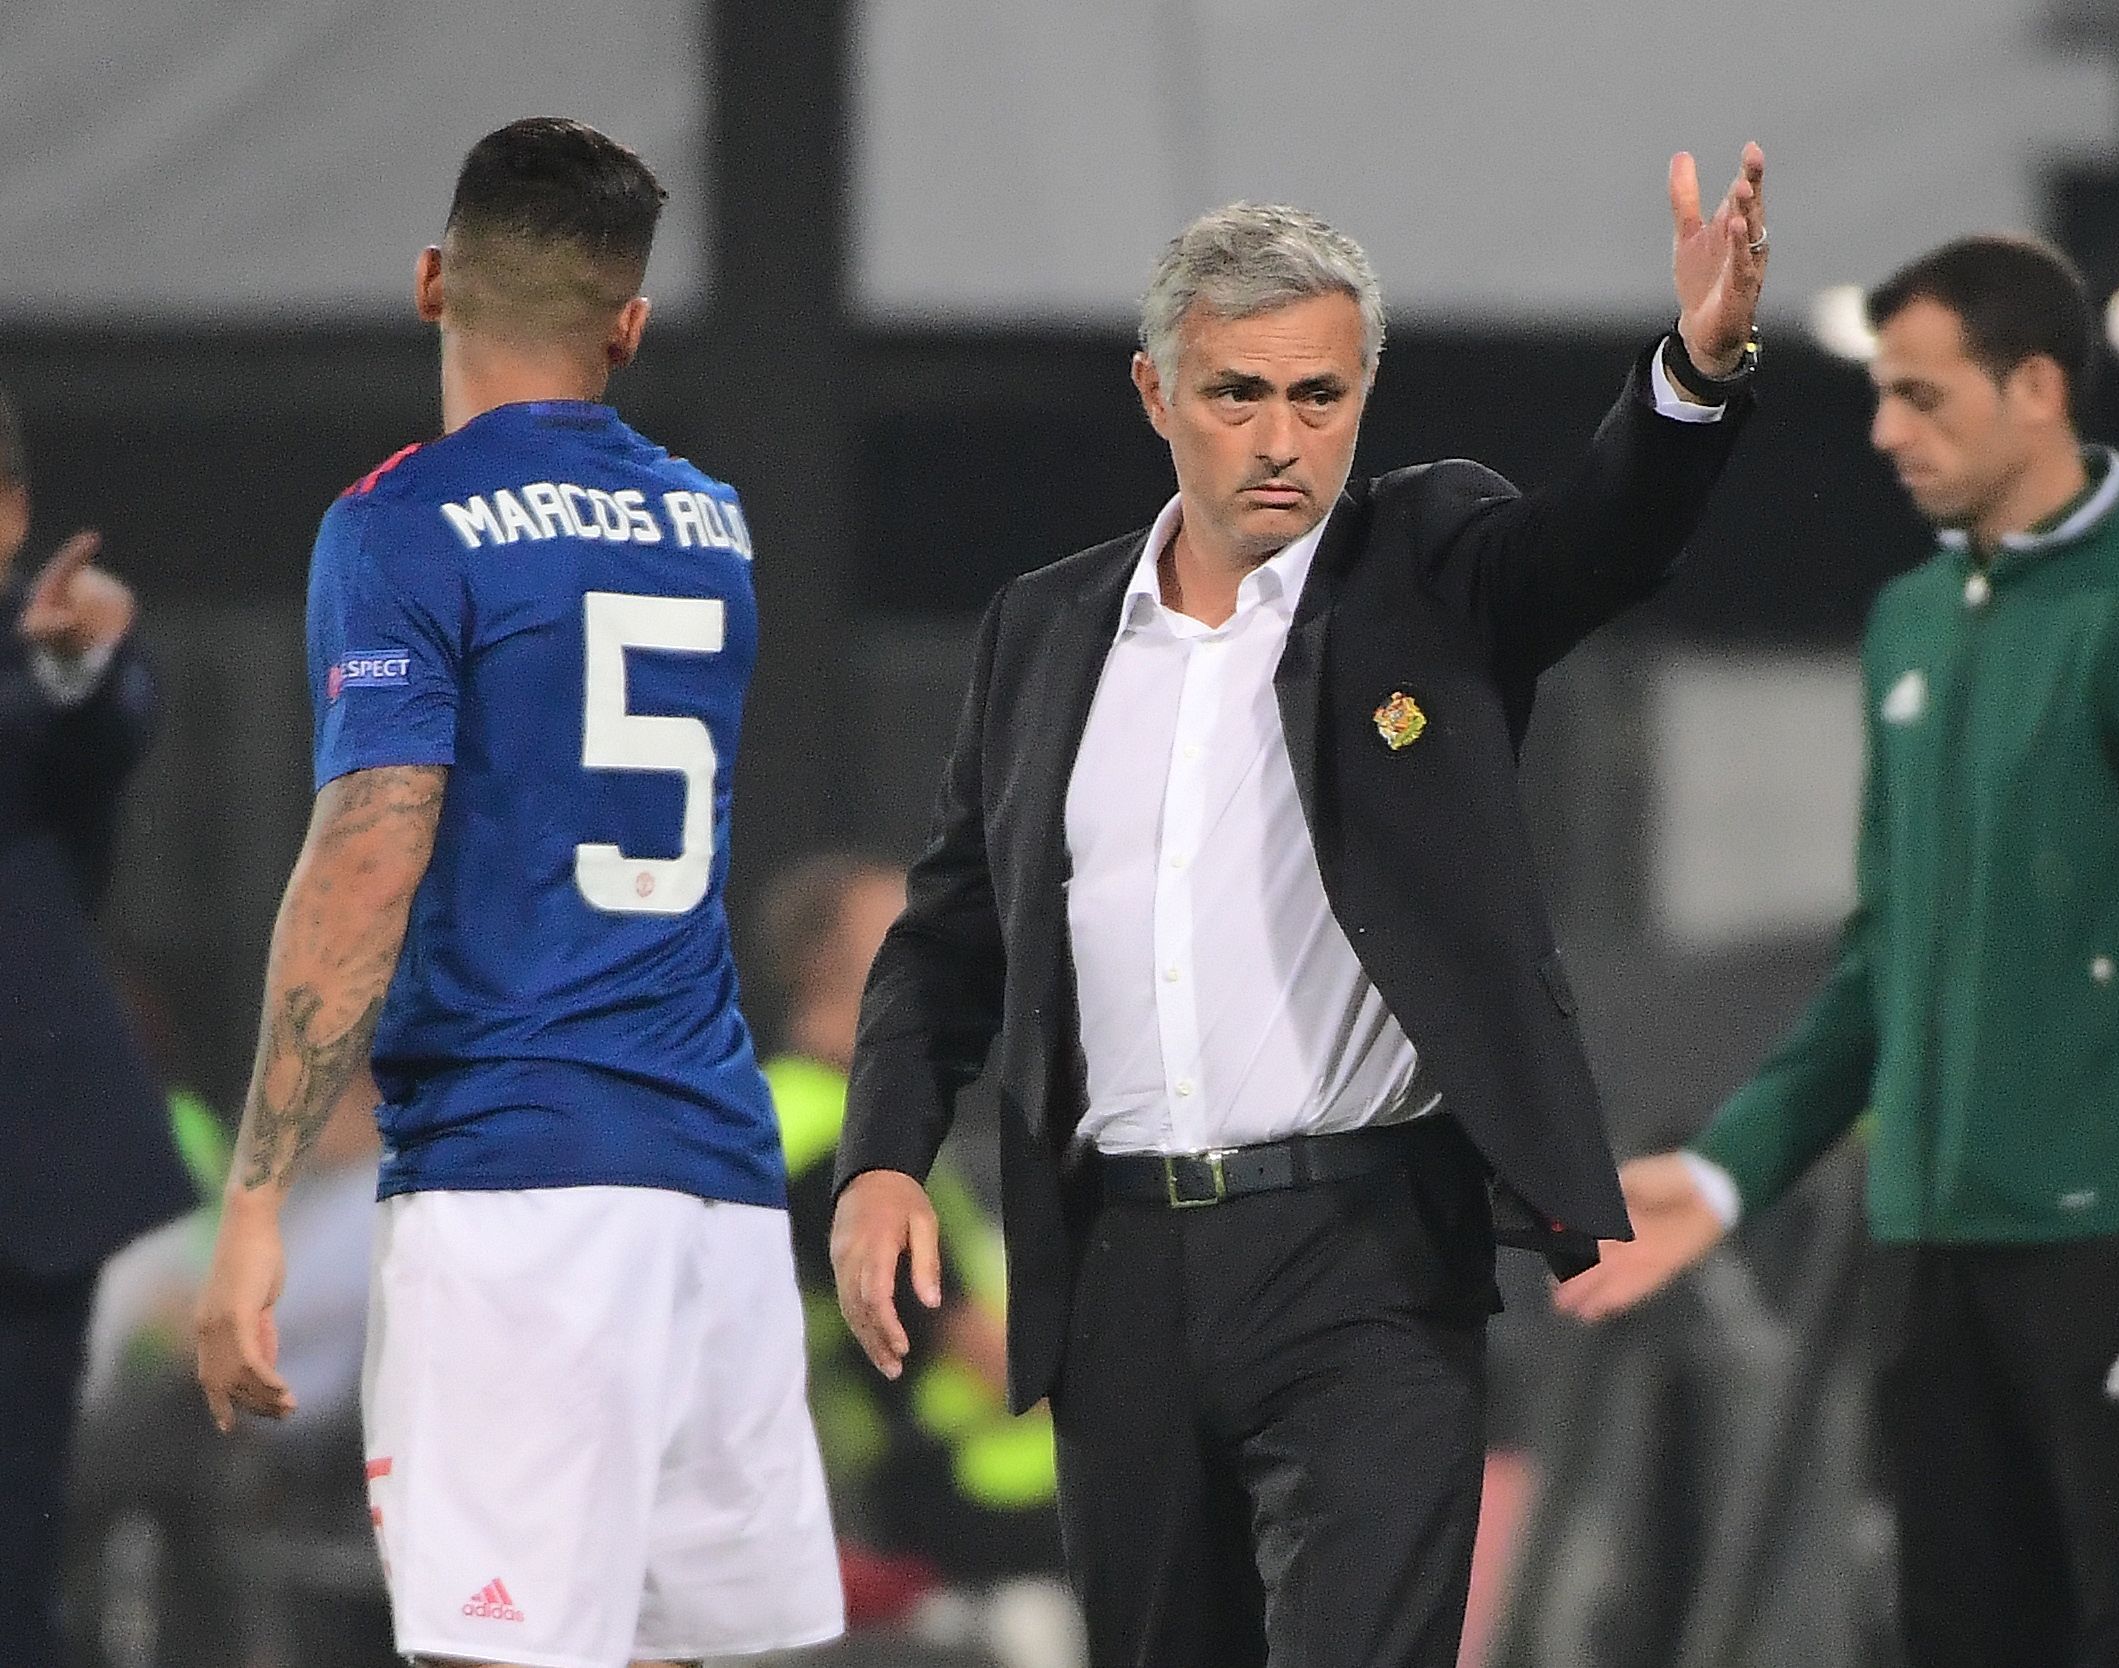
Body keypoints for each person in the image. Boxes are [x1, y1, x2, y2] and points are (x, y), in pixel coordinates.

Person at [832, 147, 1769, 1668]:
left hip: (1367, 1260)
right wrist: (882, 1156)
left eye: (1320, 397)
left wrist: (1698, 373)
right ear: (1156, 395)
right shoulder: (1044, 628)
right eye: (1238, 394)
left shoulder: (1433, 565)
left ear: (1366, 396)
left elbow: (1605, 534)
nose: (1283, 438)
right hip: (1121, 1268)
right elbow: (951, 933)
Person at [1559, 235, 2119, 1668]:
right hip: (1930, 1241)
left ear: (2035, 388)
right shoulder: (1914, 623)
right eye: (1883, 395)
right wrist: (1736, 1166)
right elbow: (1882, 961)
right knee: (1952, 1635)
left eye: (1923, 397)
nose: (1884, 433)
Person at [191, 118, 842, 1668]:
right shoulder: (713, 528)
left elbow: (371, 851)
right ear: (627, 323)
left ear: (432, 282)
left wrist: (260, 1194)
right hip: (716, 1191)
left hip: (525, 1188)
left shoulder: (402, 523)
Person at [0, 388, 195, 1668]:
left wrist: (78, 661)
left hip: (19, 1198)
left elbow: (80, 726)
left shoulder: (41, 672)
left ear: (10, 511)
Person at [754, 853, 1063, 1593]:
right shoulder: (829, 1140)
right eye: (898, 929)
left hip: (964, 1461)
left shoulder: (831, 1110)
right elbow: (969, 1348)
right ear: (824, 962)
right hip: (959, 1473)